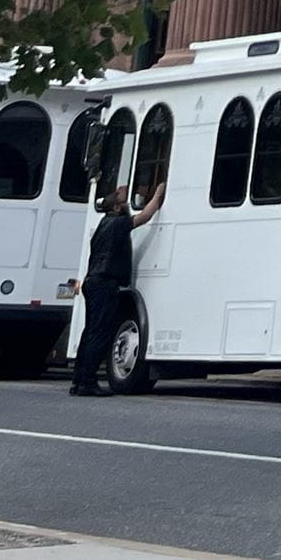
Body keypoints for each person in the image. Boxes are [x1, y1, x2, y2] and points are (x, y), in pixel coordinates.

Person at [68, 169, 164, 397]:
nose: (126, 196)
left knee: (89, 332)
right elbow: (146, 216)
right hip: (105, 283)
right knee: (100, 334)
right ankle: (88, 382)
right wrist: (158, 194)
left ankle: (78, 380)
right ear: (118, 208)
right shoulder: (119, 223)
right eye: (123, 197)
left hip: (92, 281)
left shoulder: (103, 224)